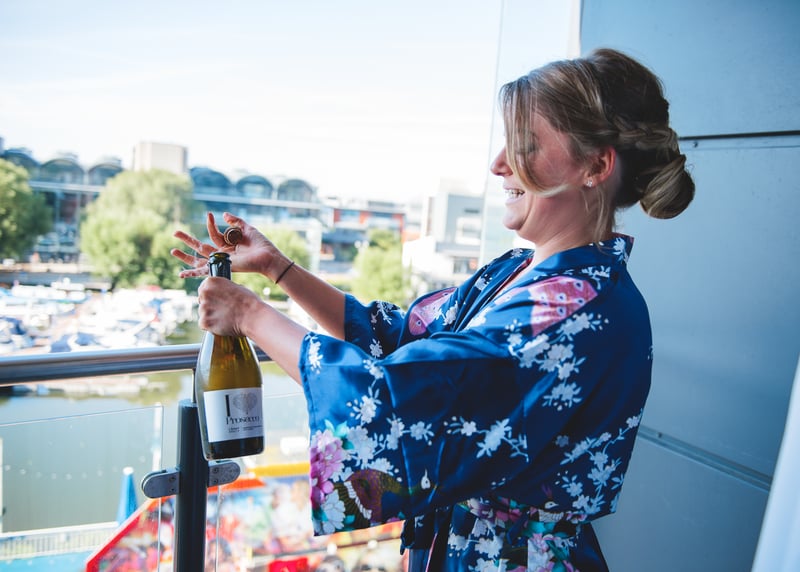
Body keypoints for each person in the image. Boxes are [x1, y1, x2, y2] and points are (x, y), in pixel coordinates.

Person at [172, 48, 694, 571]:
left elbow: (394, 395)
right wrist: (278, 268)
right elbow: (403, 342)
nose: (499, 163)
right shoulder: (522, 274)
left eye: (525, 145)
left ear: (596, 166)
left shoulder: (576, 308)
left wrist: (251, 317)